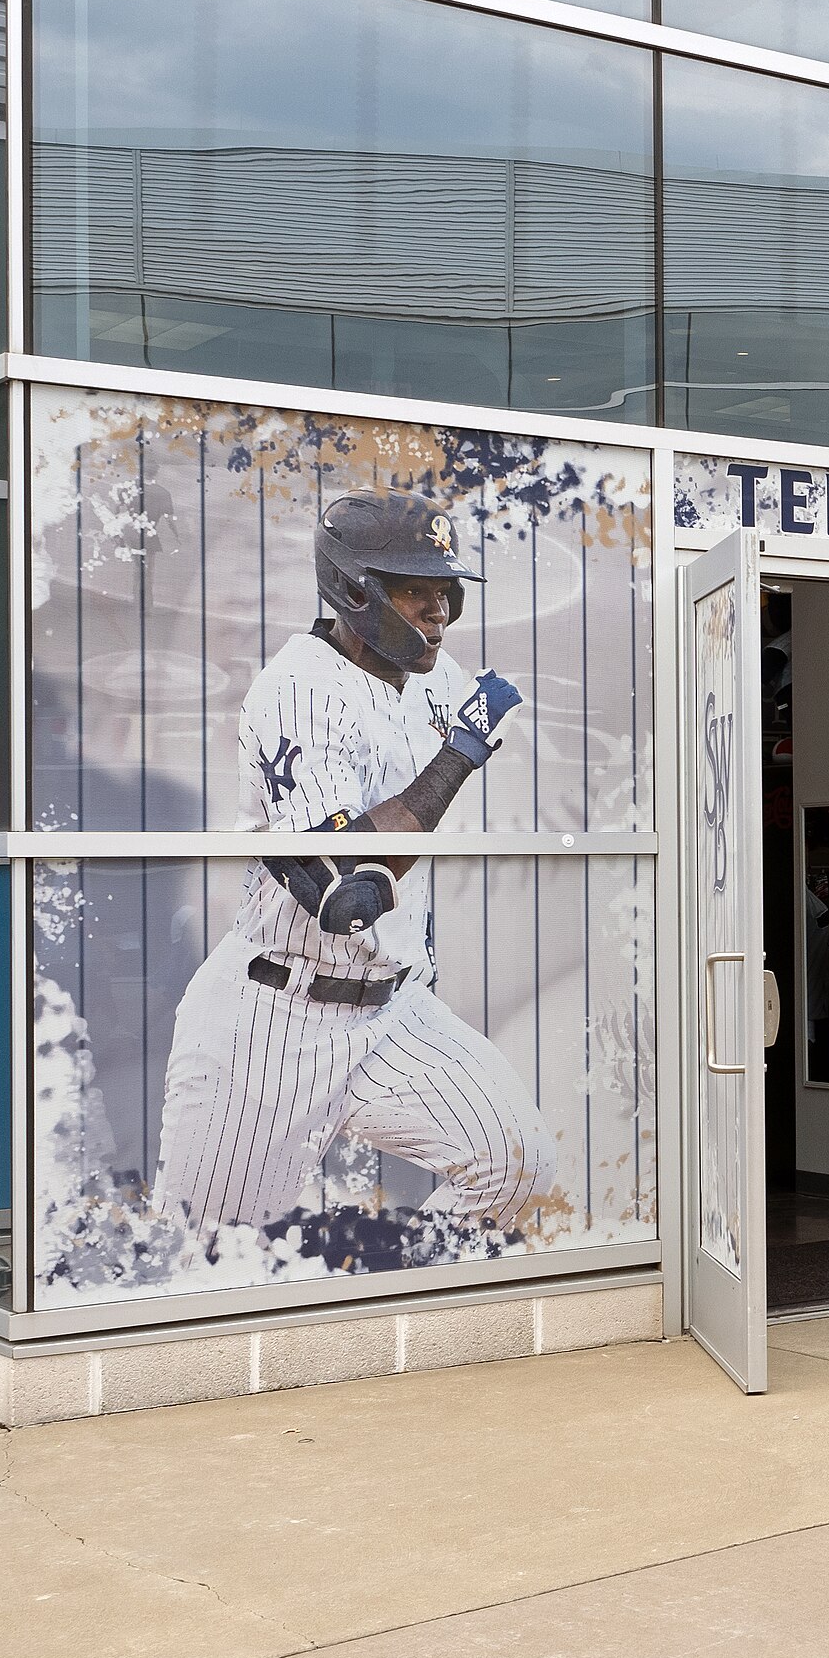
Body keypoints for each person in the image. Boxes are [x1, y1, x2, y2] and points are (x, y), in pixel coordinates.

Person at [152, 490, 556, 1246]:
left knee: (518, 1163)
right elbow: (347, 889)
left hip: (391, 1012)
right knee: (202, 1258)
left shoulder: (433, 675)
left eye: (444, 590)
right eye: (414, 590)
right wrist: (459, 756)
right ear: (353, 589)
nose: (437, 611)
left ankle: (386, 1319)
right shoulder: (299, 688)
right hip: (273, 1015)